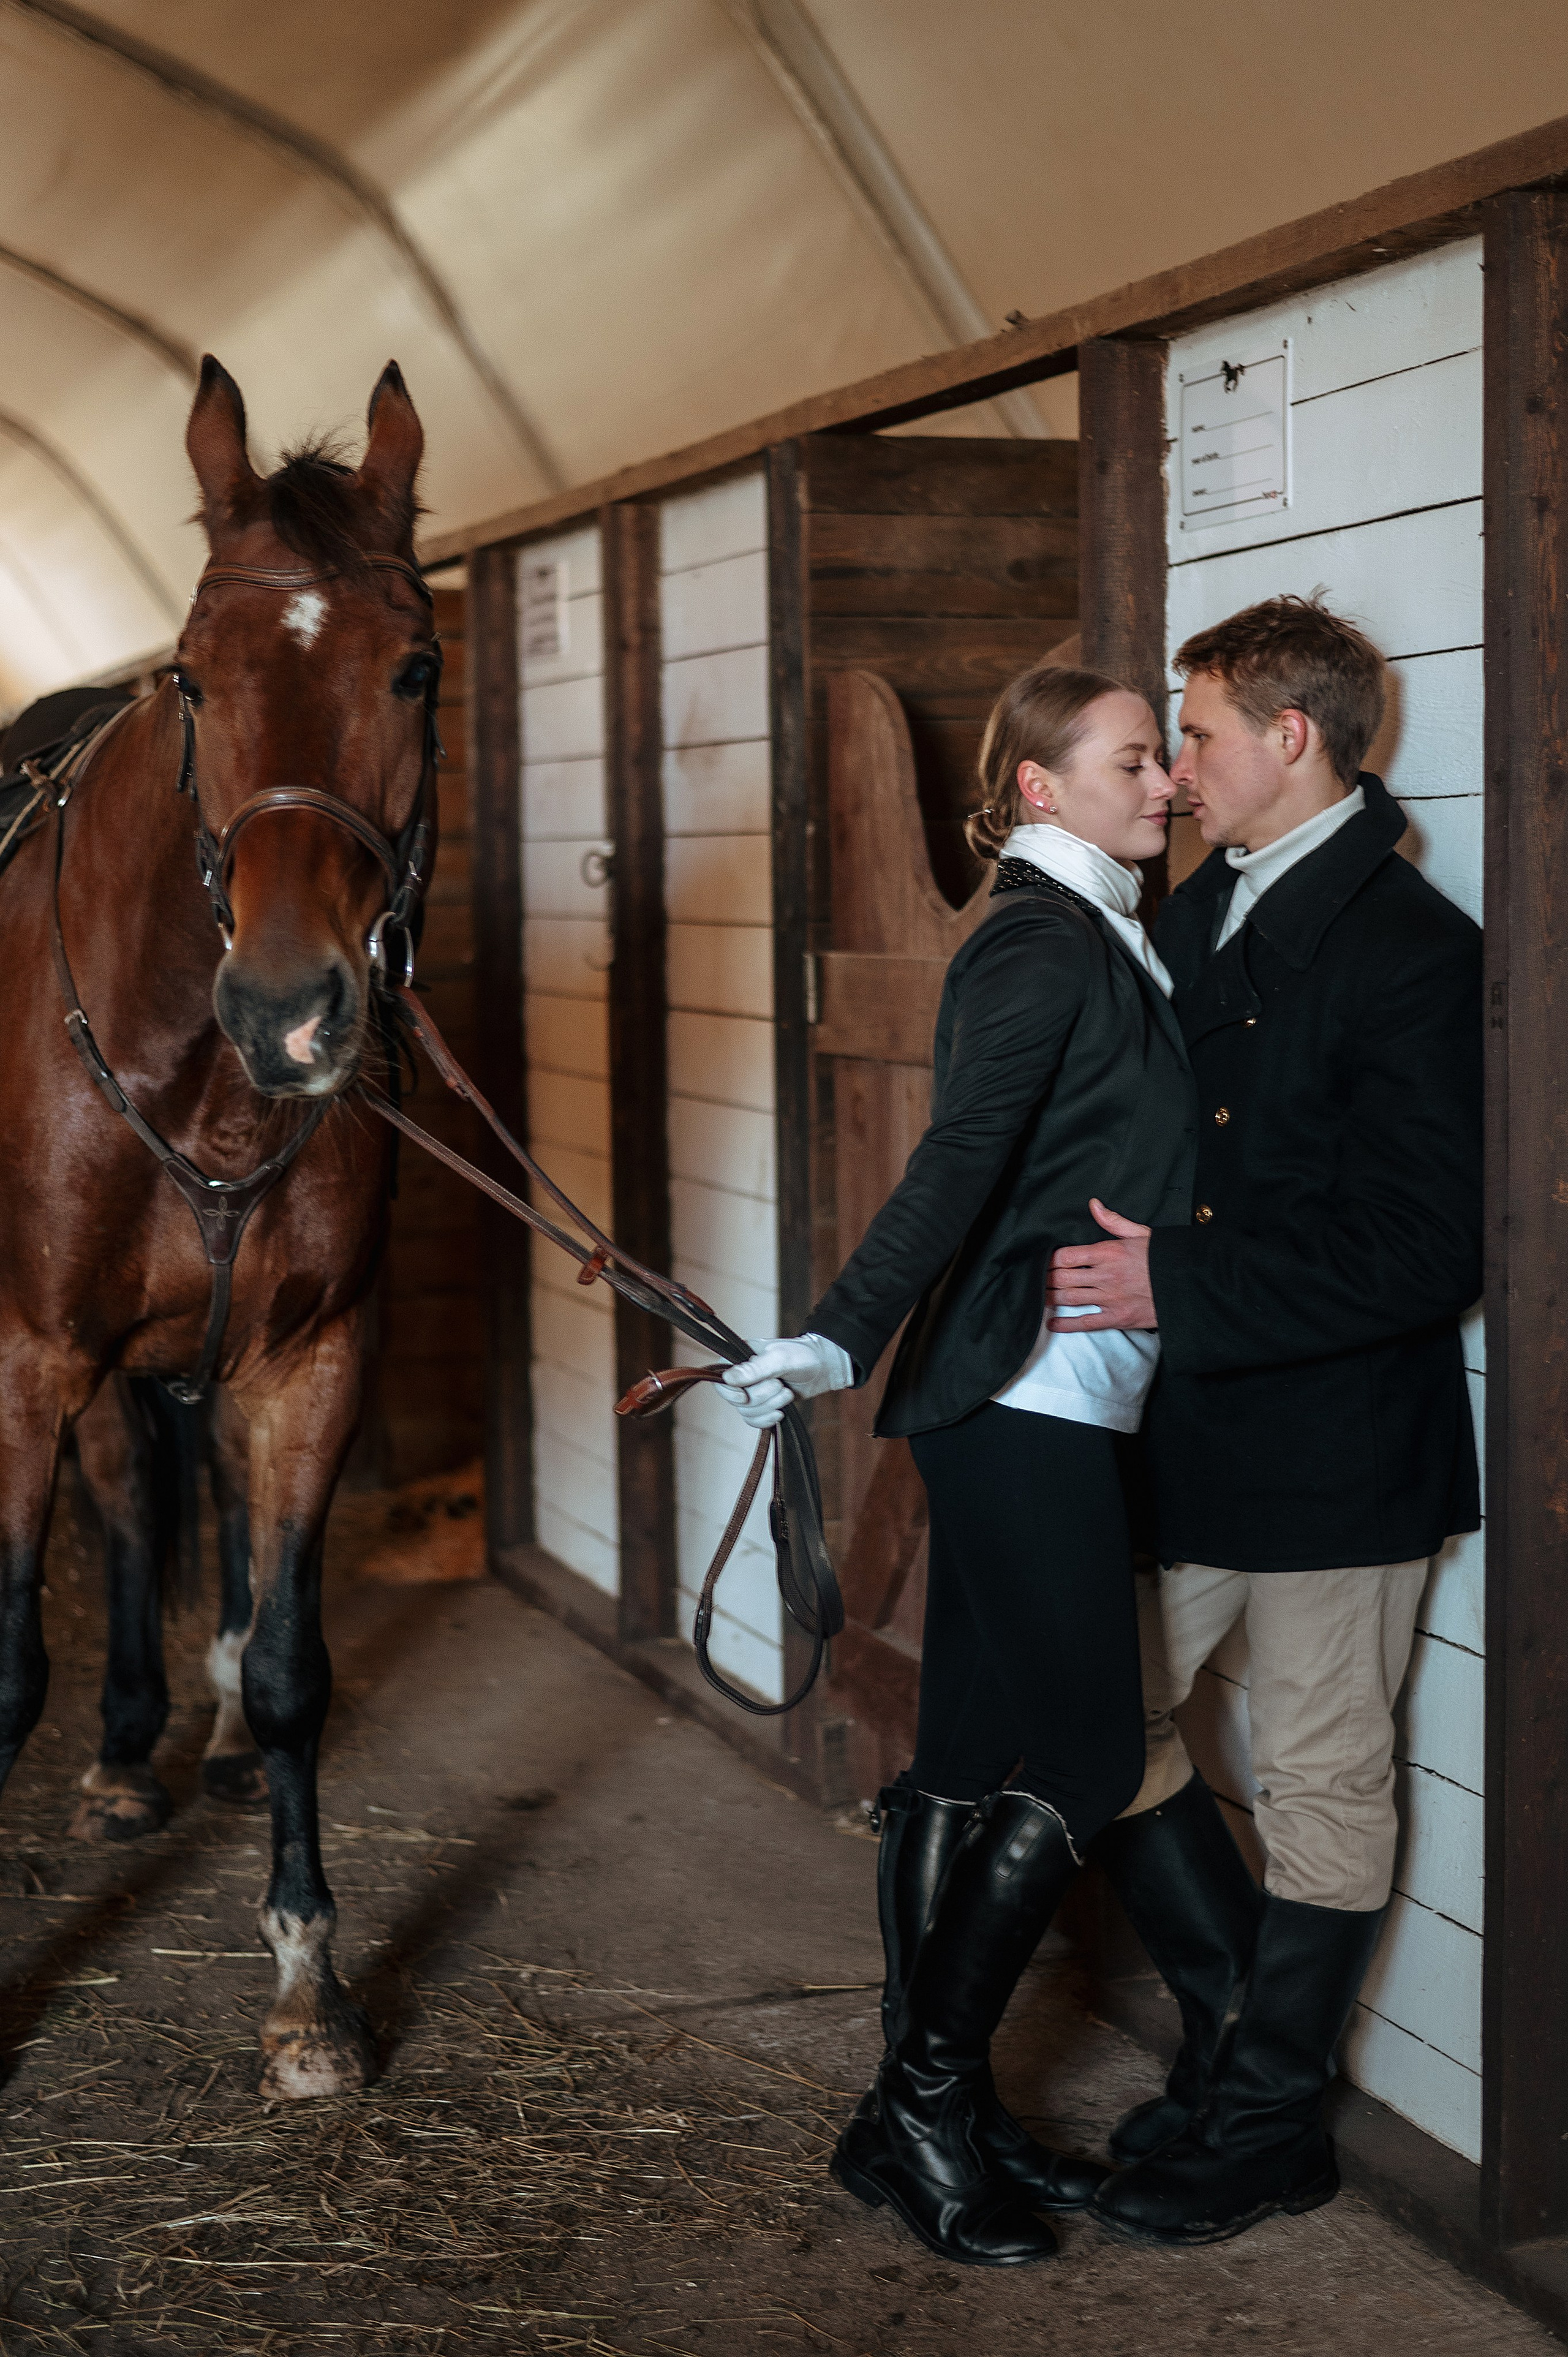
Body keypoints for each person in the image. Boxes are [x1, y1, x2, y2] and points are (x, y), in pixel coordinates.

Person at [718, 664, 1196, 2266]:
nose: (1167, 781)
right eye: (1137, 759)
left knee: (971, 1754)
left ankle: (915, 2117)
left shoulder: (1105, 928)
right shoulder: (1033, 941)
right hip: (1024, 1398)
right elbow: (957, 1163)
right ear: (1044, 787)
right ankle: (926, 2109)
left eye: (1166, 757)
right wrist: (836, 1338)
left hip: (1072, 1387)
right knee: (1078, 1757)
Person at [1046, 596, 1483, 2246]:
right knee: (1099, 1729)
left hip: (1332, 1444)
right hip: (1176, 1429)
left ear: (1290, 739)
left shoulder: (1418, 950)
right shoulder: (1192, 905)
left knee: (1320, 1781)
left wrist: (1183, 1287)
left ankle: (1269, 2120)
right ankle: (1242, 2048)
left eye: (1201, 734)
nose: (1178, 771)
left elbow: (1427, 1245)